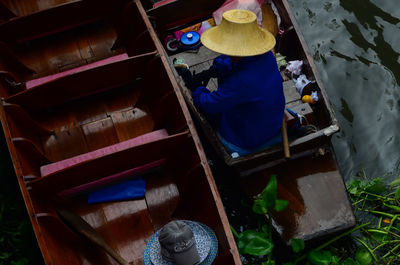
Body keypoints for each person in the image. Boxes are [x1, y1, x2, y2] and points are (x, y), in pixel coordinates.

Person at [179, 9, 285, 156]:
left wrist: (198, 90)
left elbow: (210, 104)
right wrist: (215, 69)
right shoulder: (266, 55)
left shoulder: (243, 81)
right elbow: (234, 62)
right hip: (271, 121)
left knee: (205, 112)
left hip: (248, 137)